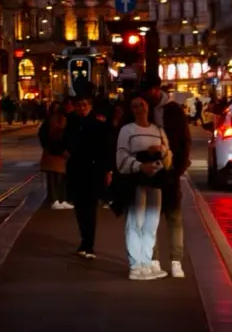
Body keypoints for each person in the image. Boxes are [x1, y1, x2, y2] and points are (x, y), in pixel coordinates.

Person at [113, 95, 169, 280]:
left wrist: (160, 153)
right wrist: (140, 165)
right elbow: (121, 157)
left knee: (151, 223)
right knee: (135, 221)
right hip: (135, 180)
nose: (139, 109)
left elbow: (168, 155)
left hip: (155, 180)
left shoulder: (158, 130)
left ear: (148, 107)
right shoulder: (126, 130)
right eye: (134, 106)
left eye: (142, 105)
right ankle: (136, 265)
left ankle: (146, 261)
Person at [65, 96, 114, 258]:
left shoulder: (99, 124)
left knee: (90, 208)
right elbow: (65, 142)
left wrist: (107, 170)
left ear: (90, 107)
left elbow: (106, 148)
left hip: (93, 171)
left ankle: (89, 243)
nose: (82, 108)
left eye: (85, 105)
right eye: (79, 105)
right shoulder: (71, 123)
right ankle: (84, 238)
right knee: (80, 208)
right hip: (76, 170)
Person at [157, 95, 193, 278]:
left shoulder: (173, 111)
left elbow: (185, 139)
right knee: (152, 219)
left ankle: (175, 261)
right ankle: (154, 260)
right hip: (151, 173)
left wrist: (179, 168)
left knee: (173, 217)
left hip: (170, 172)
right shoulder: (144, 108)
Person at [37, 102, 71, 209]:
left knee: (60, 178)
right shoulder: (51, 122)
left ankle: (60, 199)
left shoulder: (61, 120)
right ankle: (55, 199)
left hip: (58, 154)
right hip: (54, 154)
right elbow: (46, 138)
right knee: (54, 177)